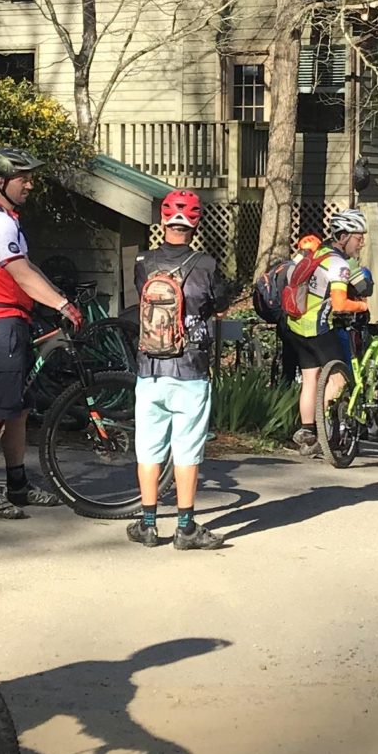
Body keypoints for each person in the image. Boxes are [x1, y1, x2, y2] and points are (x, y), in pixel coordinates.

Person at [0, 146, 81, 518]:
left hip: (14, 322)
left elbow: (30, 268)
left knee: (17, 410)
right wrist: (60, 305)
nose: (30, 184)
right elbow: (22, 274)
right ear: (1, 182)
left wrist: (59, 297)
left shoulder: (8, 219)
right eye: (23, 178)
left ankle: (18, 486)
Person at [126, 189, 234, 549]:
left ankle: (148, 524)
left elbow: (142, 294)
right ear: (195, 224)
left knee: (149, 448)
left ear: (163, 222)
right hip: (190, 369)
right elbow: (219, 303)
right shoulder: (206, 265)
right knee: (186, 450)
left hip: (149, 368)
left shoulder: (143, 262)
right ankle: (186, 527)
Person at [284, 209, 368, 462]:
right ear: (343, 236)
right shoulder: (338, 264)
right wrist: (362, 307)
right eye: (358, 237)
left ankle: (307, 430)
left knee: (310, 379)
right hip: (319, 328)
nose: (361, 242)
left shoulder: (314, 253)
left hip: (296, 325)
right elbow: (341, 304)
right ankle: (326, 436)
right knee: (339, 380)